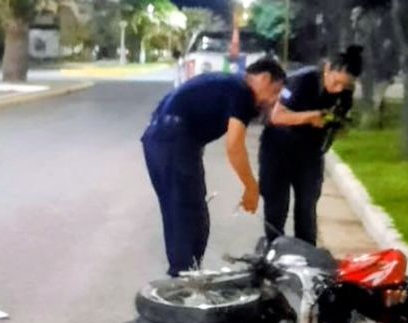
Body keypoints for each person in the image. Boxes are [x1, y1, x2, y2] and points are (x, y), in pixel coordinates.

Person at [142, 58, 286, 277]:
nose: (272, 100)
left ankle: (187, 276)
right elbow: (234, 145)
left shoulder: (230, 84)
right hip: (171, 141)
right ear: (264, 78)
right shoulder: (242, 92)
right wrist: (251, 188)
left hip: (167, 140)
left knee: (193, 216)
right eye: (274, 91)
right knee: (185, 215)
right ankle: (181, 284)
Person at [259, 49, 362, 245]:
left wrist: (337, 124)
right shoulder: (301, 81)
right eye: (336, 82)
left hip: (310, 152)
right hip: (278, 149)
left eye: (346, 85)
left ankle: (306, 254)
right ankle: (273, 252)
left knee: (307, 207)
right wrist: (310, 117)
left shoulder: (345, 93)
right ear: (328, 69)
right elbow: (277, 116)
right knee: (277, 207)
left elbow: (339, 121)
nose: (339, 89)